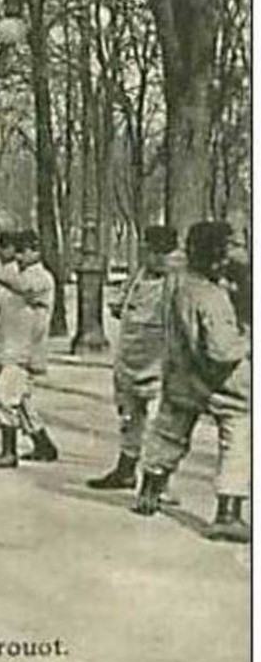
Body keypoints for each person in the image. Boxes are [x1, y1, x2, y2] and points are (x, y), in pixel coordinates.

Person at [133, 222, 250, 542]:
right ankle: (228, 512)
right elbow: (222, 350)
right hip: (223, 384)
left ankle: (150, 487)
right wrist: (248, 339)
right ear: (218, 256)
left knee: (169, 433)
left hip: (181, 375)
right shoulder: (212, 297)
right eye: (232, 247)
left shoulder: (179, 281)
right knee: (238, 438)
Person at [88, 226, 178, 490]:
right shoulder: (139, 276)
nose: (155, 258)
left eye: (162, 253)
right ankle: (125, 470)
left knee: (157, 427)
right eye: (151, 252)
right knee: (129, 420)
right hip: (129, 361)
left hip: (159, 366)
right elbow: (122, 305)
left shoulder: (175, 283)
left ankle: (159, 485)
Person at [0, 229, 60, 468]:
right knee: (22, 402)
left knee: (2, 398)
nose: (19, 256)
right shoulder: (16, 274)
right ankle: (43, 445)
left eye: (25, 251)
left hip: (25, 351)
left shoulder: (41, 278)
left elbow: (22, 288)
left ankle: (9, 452)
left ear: (35, 251)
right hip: (9, 348)